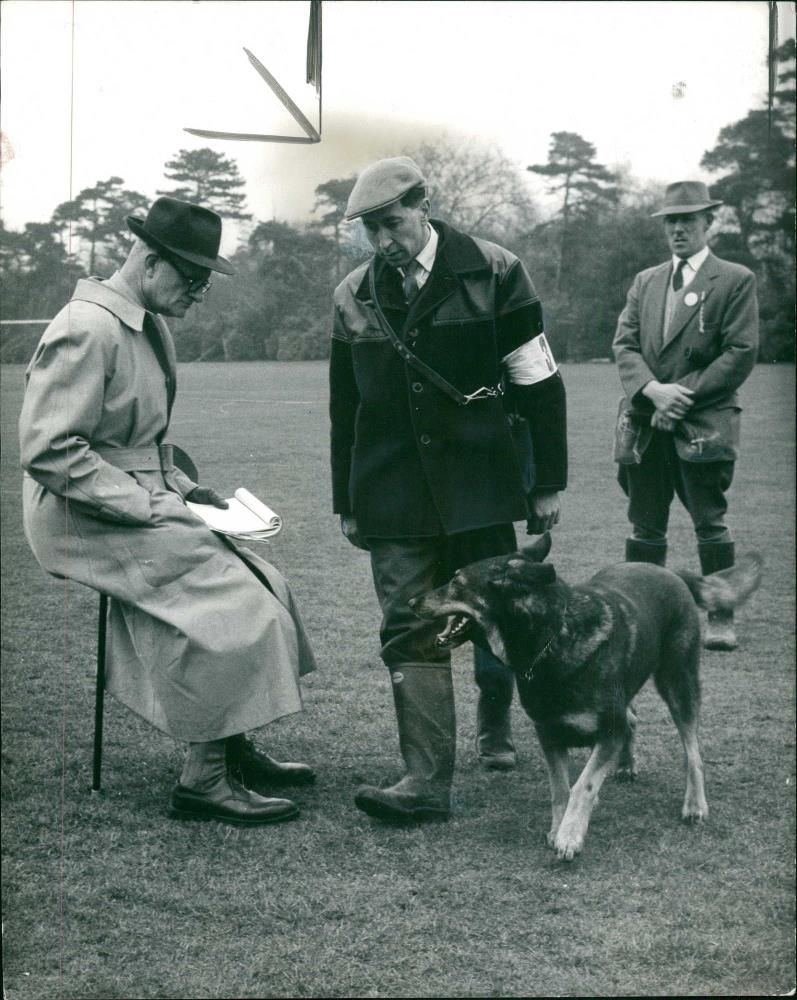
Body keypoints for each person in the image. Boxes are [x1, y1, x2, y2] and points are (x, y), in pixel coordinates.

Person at [19, 197, 317, 825]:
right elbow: (50, 451)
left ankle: (230, 745)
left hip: (128, 499)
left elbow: (139, 445)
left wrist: (184, 491)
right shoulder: (87, 327)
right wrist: (148, 507)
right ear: (151, 263)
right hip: (80, 514)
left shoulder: (142, 323)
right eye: (194, 278)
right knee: (232, 605)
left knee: (266, 583)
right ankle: (204, 780)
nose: (201, 292)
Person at [329, 156, 568, 822]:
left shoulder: (495, 271)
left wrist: (545, 481)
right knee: (409, 624)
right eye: (369, 231)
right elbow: (343, 405)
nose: (382, 243)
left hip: (482, 485)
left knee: (499, 621)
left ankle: (522, 725)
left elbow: (537, 383)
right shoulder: (352, 293)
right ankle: (425, 783)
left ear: (423, 204)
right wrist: (347, 500)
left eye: (392, 224)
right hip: (391, 493)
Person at [612, 180, 759, 651]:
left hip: (703, 424)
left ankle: (720, 616)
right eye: (671, 220)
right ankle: (644, 612)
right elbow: (625, 345)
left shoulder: (735, 279)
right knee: (644, 524)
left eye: (688, 219)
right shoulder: (646, 281)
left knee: (710, 522)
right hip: (648, 422)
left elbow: (740, 351)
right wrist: (653, 391)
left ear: (708, 222)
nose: (678, 228)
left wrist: (680, 397)